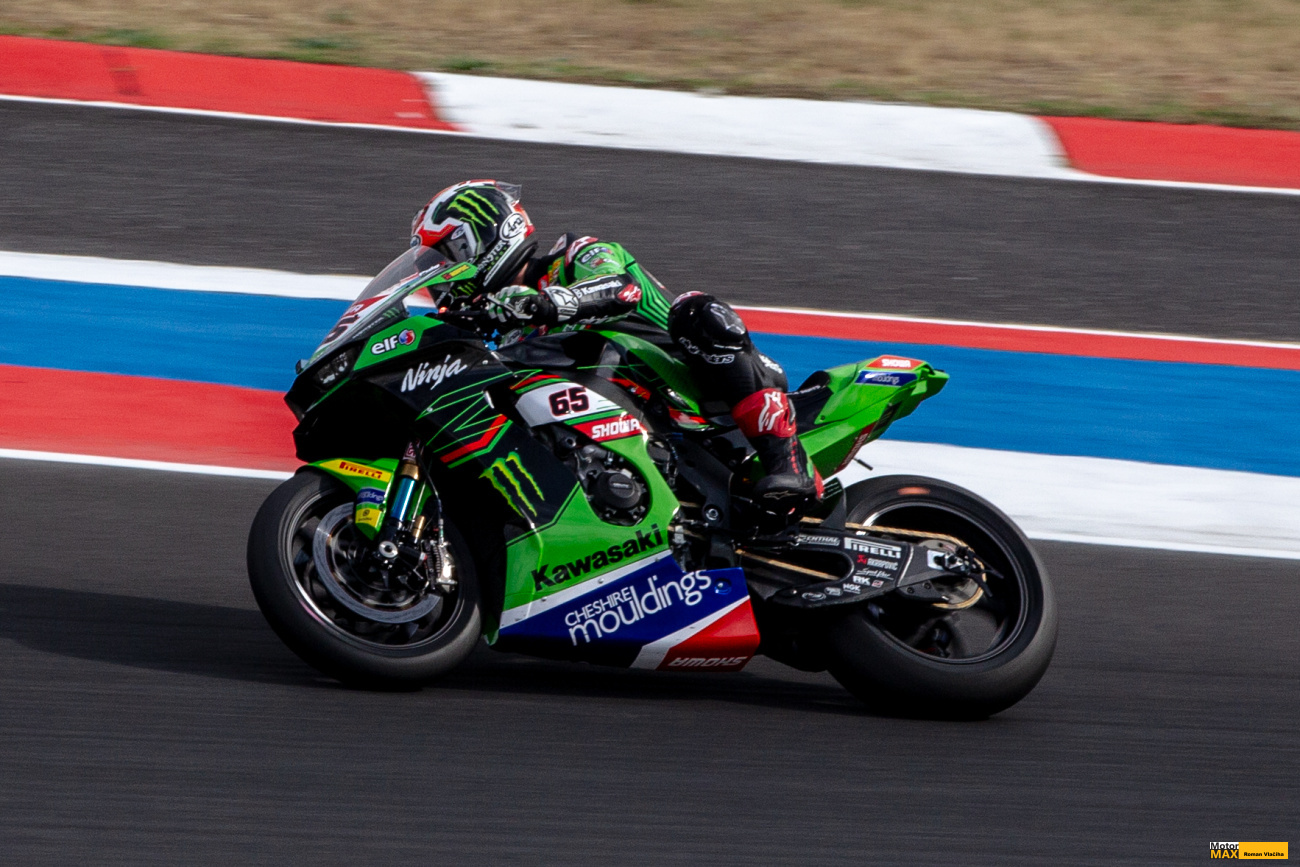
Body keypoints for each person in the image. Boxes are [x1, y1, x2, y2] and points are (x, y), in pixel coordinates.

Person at [410, 179, 822, 518]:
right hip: (631, 424)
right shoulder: (505, 333)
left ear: (487, 236)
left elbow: (620, 289)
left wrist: (545, 303)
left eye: (446, 257)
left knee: (697, 311)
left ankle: (788, 462)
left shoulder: (577, 254)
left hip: (700, 385)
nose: (442, 275)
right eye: (432, 265)